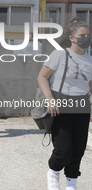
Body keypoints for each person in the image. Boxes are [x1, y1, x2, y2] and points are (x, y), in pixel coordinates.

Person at [37, 18, 92, 190]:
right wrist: (50, 98)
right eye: (82, 35)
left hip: (82, 104)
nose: (86, 38)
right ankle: (53, 172)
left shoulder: (90, 60)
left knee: (78, 148)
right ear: (72, 38)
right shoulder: (59, 54)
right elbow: (42, 77)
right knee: (62, 149)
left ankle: (71, 183)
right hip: (61, 103)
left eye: (88, 35)